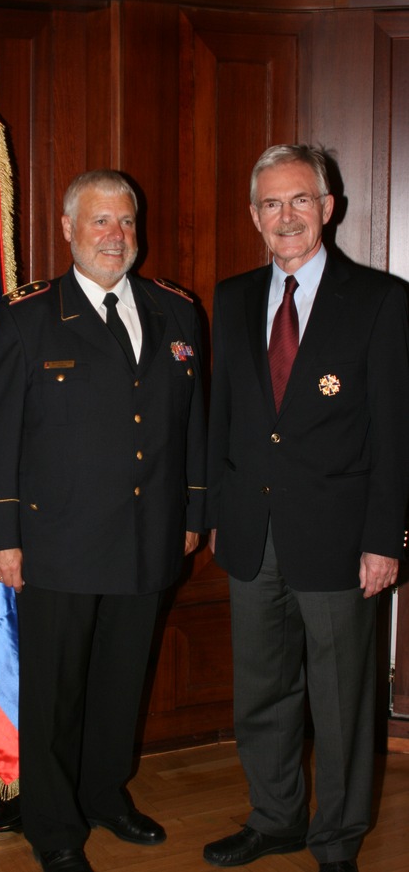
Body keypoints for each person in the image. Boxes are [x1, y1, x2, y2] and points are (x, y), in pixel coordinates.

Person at [0, 169, 206, 872]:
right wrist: (3, 535)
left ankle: (106, 793)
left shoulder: (176, 310)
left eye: (126, 221)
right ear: (68, 229)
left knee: (120, 680)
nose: (115, 235)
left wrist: (193, 510)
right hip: (59, 543)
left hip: (148, 536)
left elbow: (193, 420)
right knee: (56, 691)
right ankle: (53, 825)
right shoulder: (28, 314)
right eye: (100, 221)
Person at [203, 144, 409, 872]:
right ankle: (276, 816)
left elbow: (395, 432)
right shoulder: (230, 299)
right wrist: (218, 508)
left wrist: (385, 539)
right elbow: (219, 417)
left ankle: (338, 839)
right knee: (262, 691)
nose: (285, 216)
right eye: (270, 203)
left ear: (328, 207)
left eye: (299, 201)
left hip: (341, 540)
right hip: (251, 534)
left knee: (343, 700)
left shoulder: (381, 300)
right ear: (254, 216)